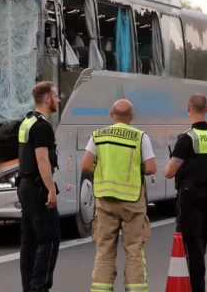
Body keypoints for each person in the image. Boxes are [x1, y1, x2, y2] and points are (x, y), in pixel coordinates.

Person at [80, 99, 157, 292]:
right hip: (132, 201)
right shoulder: (140, 137)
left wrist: (104, 172)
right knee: (133, 250)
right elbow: (151, 167)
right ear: (131, 117)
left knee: (104, 249)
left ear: (111, 114)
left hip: (105, 201)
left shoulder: (97, 136)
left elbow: (85, 164)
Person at [163, 93, 207, 292]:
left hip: (190, 195)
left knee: (192, 244)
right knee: (202, 239)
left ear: (188, 108)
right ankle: (195, 280)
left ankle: (197, 287)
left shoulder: (187, 139)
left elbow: (169, 172)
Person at [17, 81, 61, 292]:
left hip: (24, 185)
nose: (58, 100)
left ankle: (29, 287)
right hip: (37, 188)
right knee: (49, 239)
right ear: (47, 98)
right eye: (56, 96)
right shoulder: (43, 126)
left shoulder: (26, 121)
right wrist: (51, 189)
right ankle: (39, 287)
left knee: (29, 241)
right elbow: (42, 159)